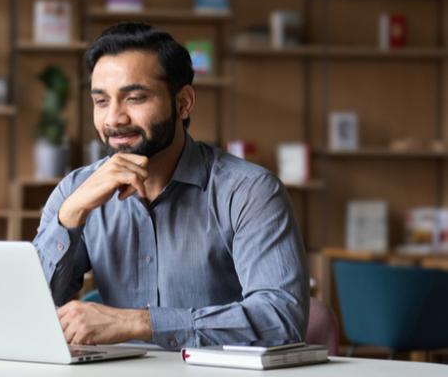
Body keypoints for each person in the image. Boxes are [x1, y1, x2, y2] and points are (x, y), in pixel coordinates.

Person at [32, 22, 309, 350]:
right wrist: (71, 216)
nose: (114, 119)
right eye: (101, 101)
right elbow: (29, 312)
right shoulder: (75, 191)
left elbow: (281, 318)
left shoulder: (250, 192)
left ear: (183, 103)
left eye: (134, 98)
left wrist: (139, 322)